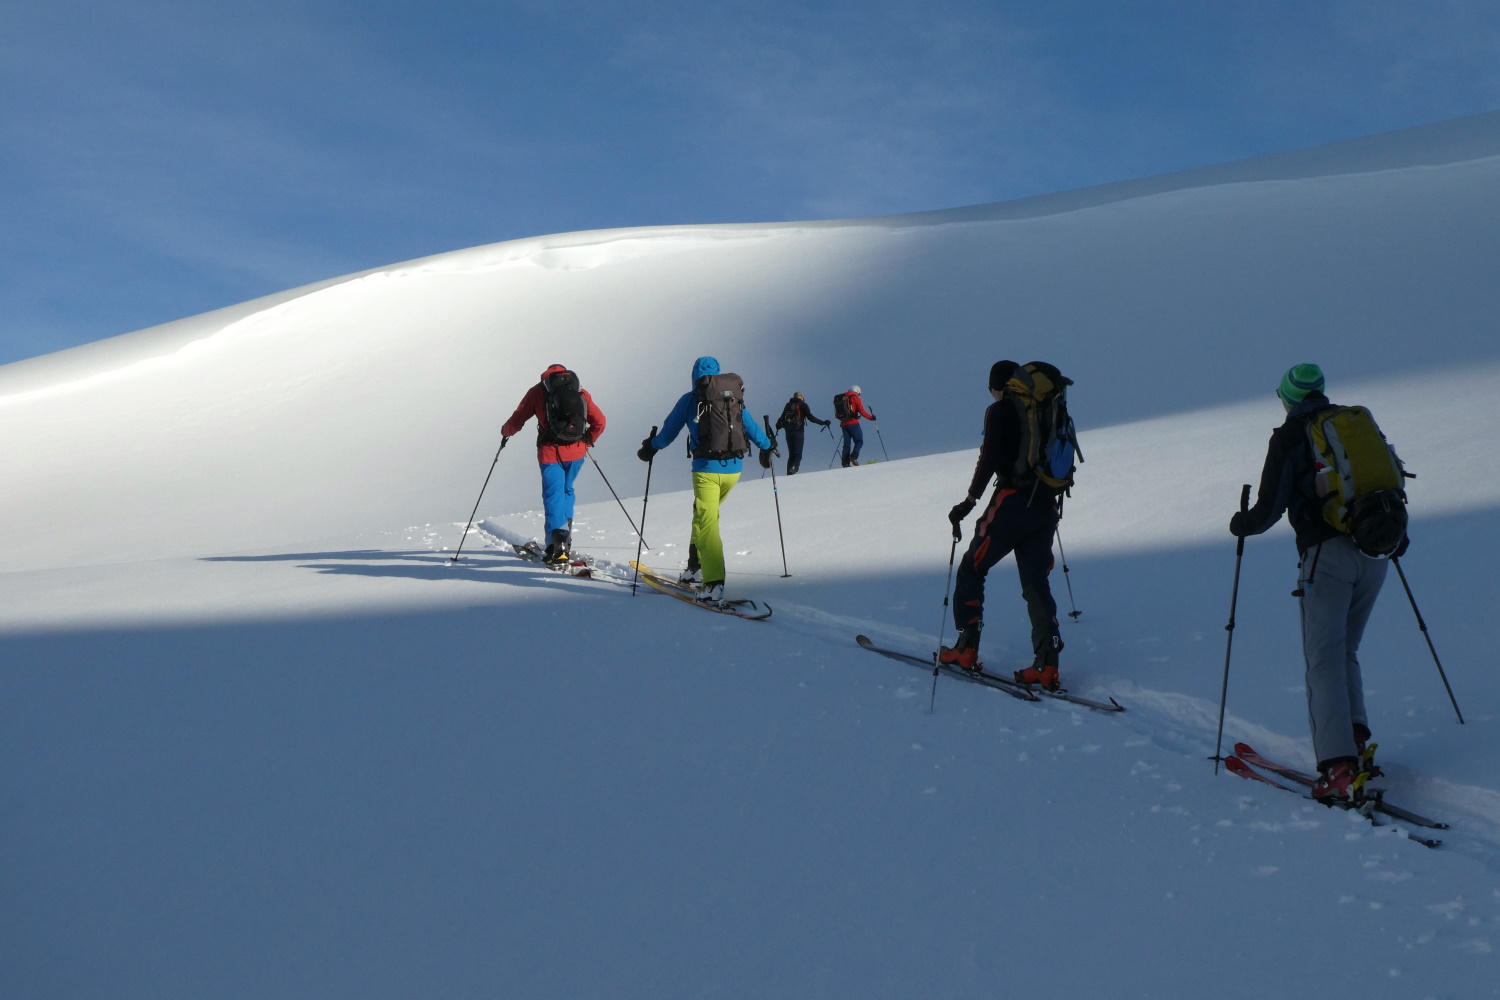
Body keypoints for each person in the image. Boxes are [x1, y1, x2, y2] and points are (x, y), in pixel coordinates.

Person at [1229, 363, 1403, 802]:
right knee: (1345, 651)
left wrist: (1241, 524)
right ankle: (1355, 745)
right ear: (1321, 392)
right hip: (1374, 552)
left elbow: (1268, 510)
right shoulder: (1351, 424)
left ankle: (1338, 768)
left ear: (1286, 398)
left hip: (1326, 559)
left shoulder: (1289, 437)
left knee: (1322, 659)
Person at [938, 360, 1067, 690]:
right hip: (1045, 503)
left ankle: (965, 649)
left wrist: (968, 502)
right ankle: (1047, 666)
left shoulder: (1000, 410)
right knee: (1036, 582)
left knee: (972, 567)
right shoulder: (1043, 407)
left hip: (1012, 502)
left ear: (999, 386)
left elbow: (989, 458)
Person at [637, 356, 774, 602]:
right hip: (734, 470)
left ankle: (713, 584)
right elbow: (751, 427)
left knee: (707, 522)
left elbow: (668, 433)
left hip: (706, 471)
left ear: (694, 376)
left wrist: (651, 446)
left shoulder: (691, 399)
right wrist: (766, 447)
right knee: (701, 515)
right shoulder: (733, 398)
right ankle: (694, 568)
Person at [501, 364, 606, 564]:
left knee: (553, 495)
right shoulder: (580, 392)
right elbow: (600, 421)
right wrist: (587, 442)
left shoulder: (537, 392)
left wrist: (505, 432)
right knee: (567, 491)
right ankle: (565, 540)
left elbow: (518, 418)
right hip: (577, 453)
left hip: (550, 452)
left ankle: (557, 545)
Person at [774, 392, 831, 475]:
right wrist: (822, 422)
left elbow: (782, 417)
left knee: (791, 454)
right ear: (801, 397)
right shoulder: (803, 405)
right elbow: (810, 417)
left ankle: (788, 473)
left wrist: (778, 426)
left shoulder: (788, 405)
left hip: (788, 432)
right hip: (798, 431)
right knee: (798, 454)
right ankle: (794, 468)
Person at [836, 385, 877, 467]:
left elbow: (837, 414)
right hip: (853, 423)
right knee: (859, 441)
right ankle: (853, 457)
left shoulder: (841, 398)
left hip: (843, 424)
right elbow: (861, 411)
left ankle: (845, 463)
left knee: (846, 444)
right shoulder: (855, 398)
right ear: (857, 391)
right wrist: (871, 417)